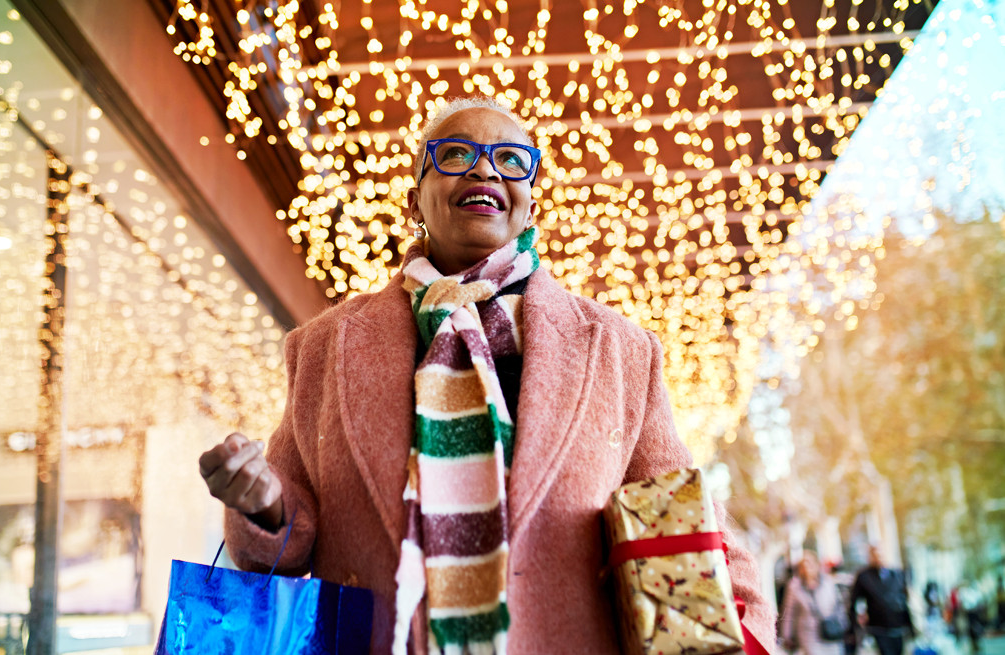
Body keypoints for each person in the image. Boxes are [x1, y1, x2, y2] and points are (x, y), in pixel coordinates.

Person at [197, 96, 777, 654]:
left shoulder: (620, 351)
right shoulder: (323, 348)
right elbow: (289, 539)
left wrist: (749, 638)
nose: (485, 171)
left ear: (531, 203)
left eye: (510, 159)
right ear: (414, 200)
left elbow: (686, 526)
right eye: (455, 154)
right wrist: (263, 504)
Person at [848, 544, 914, 655]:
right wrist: (855, 626)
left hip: (898, 627)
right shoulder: (864, 577)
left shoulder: (897, 574)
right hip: (878, 628)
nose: (879, 557)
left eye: (881, 554)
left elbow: (904, 600)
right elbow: (853, 602)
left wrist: (910, 626)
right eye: (875, 555)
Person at [780, 550, 846, 655]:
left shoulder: (828, 582)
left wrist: (842, 623)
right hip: (808, 634)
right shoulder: (794, 586)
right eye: (803, 566)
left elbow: (839, 605)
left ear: (816, 565)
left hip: (830, 629)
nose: (806, 568)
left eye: (809, 564)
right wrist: (787, 636)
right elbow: (789, 612)